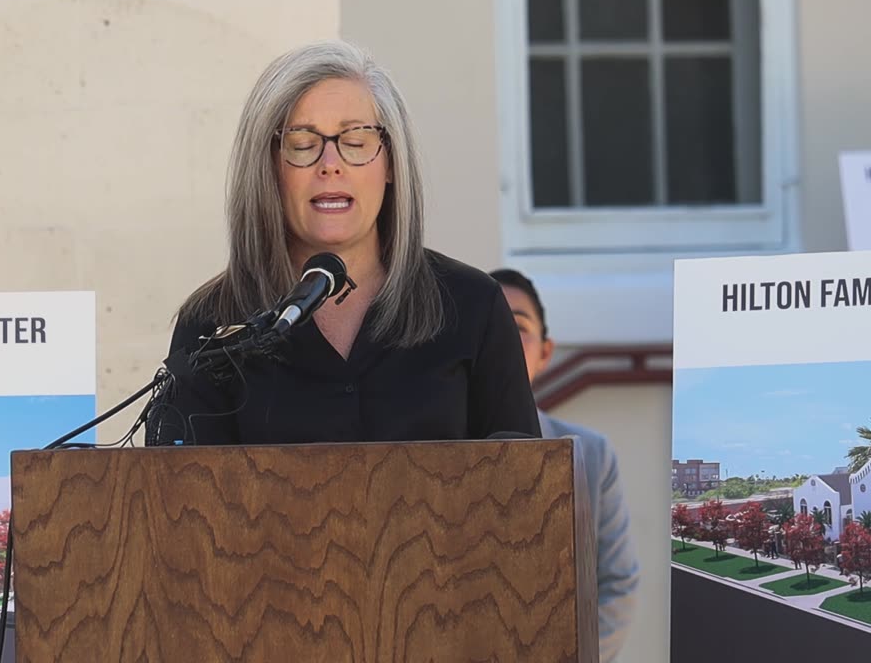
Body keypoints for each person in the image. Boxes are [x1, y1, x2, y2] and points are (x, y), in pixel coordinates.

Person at [151, 40, 541, 445]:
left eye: (355, 142)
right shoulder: (212, 325)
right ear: (268, 167)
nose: (330, 165)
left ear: (390, 163)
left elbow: (523, 487)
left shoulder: (473, 306)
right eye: (302, 144)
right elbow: (179, 498)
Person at [489, 268, 641, 663]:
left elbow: (617, 585)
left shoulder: (590, 454)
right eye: (490, 325)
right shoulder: (430, 452)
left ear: (545, 351)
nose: (503, 339)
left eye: (519, 327)